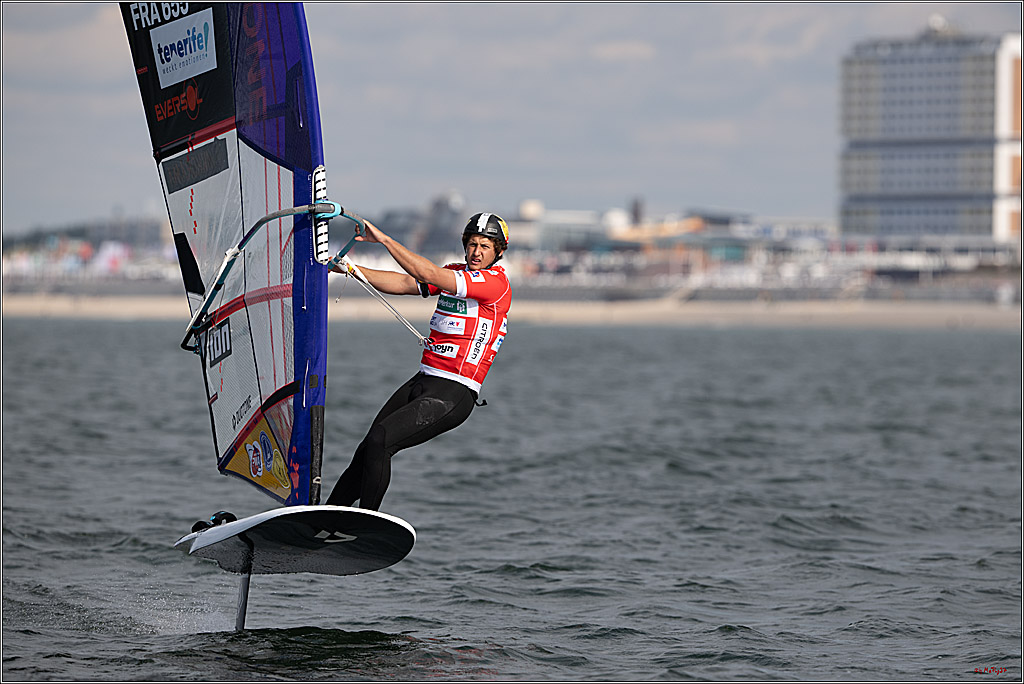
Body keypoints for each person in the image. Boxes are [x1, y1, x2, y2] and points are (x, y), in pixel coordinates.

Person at [325, 212, 512, 511]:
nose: (476, 252)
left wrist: (385, 240)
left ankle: (367, 523)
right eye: (472, 244)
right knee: (366, 451)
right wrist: (350, 268)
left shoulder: (494, 283)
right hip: (423, 380)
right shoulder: (456, 273)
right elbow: (404, 282)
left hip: (453, 392)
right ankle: (327, 520)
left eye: (485, 247)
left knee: (381, 441)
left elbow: (428, 273)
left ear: (498, 252)